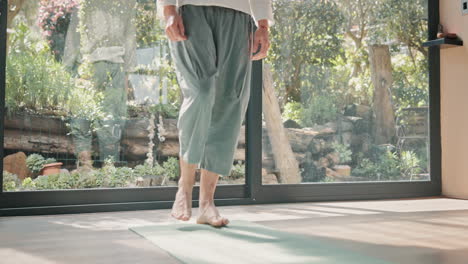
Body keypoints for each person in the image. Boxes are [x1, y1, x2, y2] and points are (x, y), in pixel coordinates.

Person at [157, 0, 274, 227]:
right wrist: (169, 9)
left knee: (230, 101)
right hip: (192, 9)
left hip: (239, 14)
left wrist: (263, 25)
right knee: (201, 91)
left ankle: (207, 204)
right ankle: (185, 185)